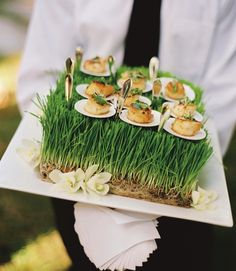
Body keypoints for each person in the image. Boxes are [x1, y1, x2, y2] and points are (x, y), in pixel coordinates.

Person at [17, 0, 236, 270]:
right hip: (74, 183)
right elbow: (41, 75)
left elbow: (224, 94)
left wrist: (169, 182)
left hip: (179, 202)